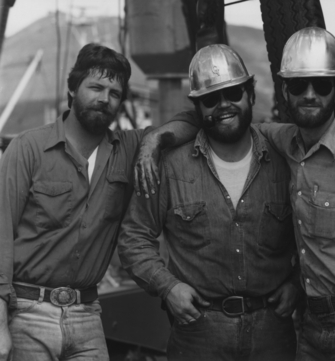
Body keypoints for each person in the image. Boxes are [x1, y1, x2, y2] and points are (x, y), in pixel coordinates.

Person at [137, 28, 335, 361]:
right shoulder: (281, 142)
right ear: (285, 90)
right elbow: (218, 116)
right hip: (311, 328)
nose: (310, 94)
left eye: (322, 84)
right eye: (300, 85)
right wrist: (156, 139)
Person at [118, 44, 299, 361]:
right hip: (199, 333)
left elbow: (315, 230)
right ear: (197, 108)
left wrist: (298, 282)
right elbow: (134, 238)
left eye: (233, 94)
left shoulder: (283, 160)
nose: (224, 105)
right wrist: (168, 287)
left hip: (273, 331)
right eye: (210, 100)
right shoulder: (172, 166)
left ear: (250, 93)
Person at [0, 43, 156, 361]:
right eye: (95, 87)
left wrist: (155, 139)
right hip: (27, 311)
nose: (104, 99)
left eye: (114, 93)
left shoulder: (126, 150)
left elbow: (186, 123)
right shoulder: (27, 148)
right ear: (72, 90)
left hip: (87, 313)